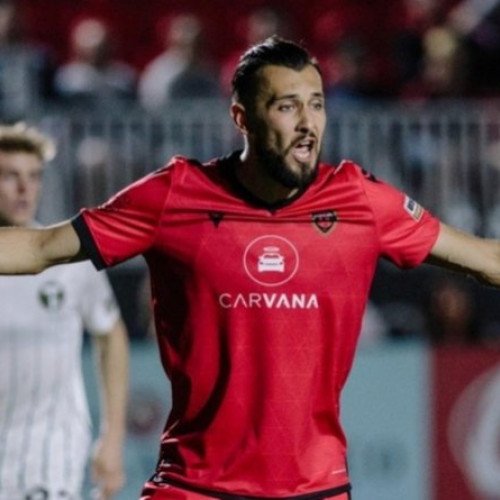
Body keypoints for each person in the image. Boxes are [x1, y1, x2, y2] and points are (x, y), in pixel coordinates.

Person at [0, 36, 499, 500]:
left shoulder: (361, 201)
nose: (307, 123)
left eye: (316, 104)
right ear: (242, 117)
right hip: (193, 487)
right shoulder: (174, 196)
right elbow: (42, 247)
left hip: (315, 489)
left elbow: (485, 259)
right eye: (287, 106)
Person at [0, 123, 129, 500]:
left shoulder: (66, 260)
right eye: (10, 176)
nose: (25, 189)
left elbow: (111, 335)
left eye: (34, 177)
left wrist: (112, 437)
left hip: (48, 449)